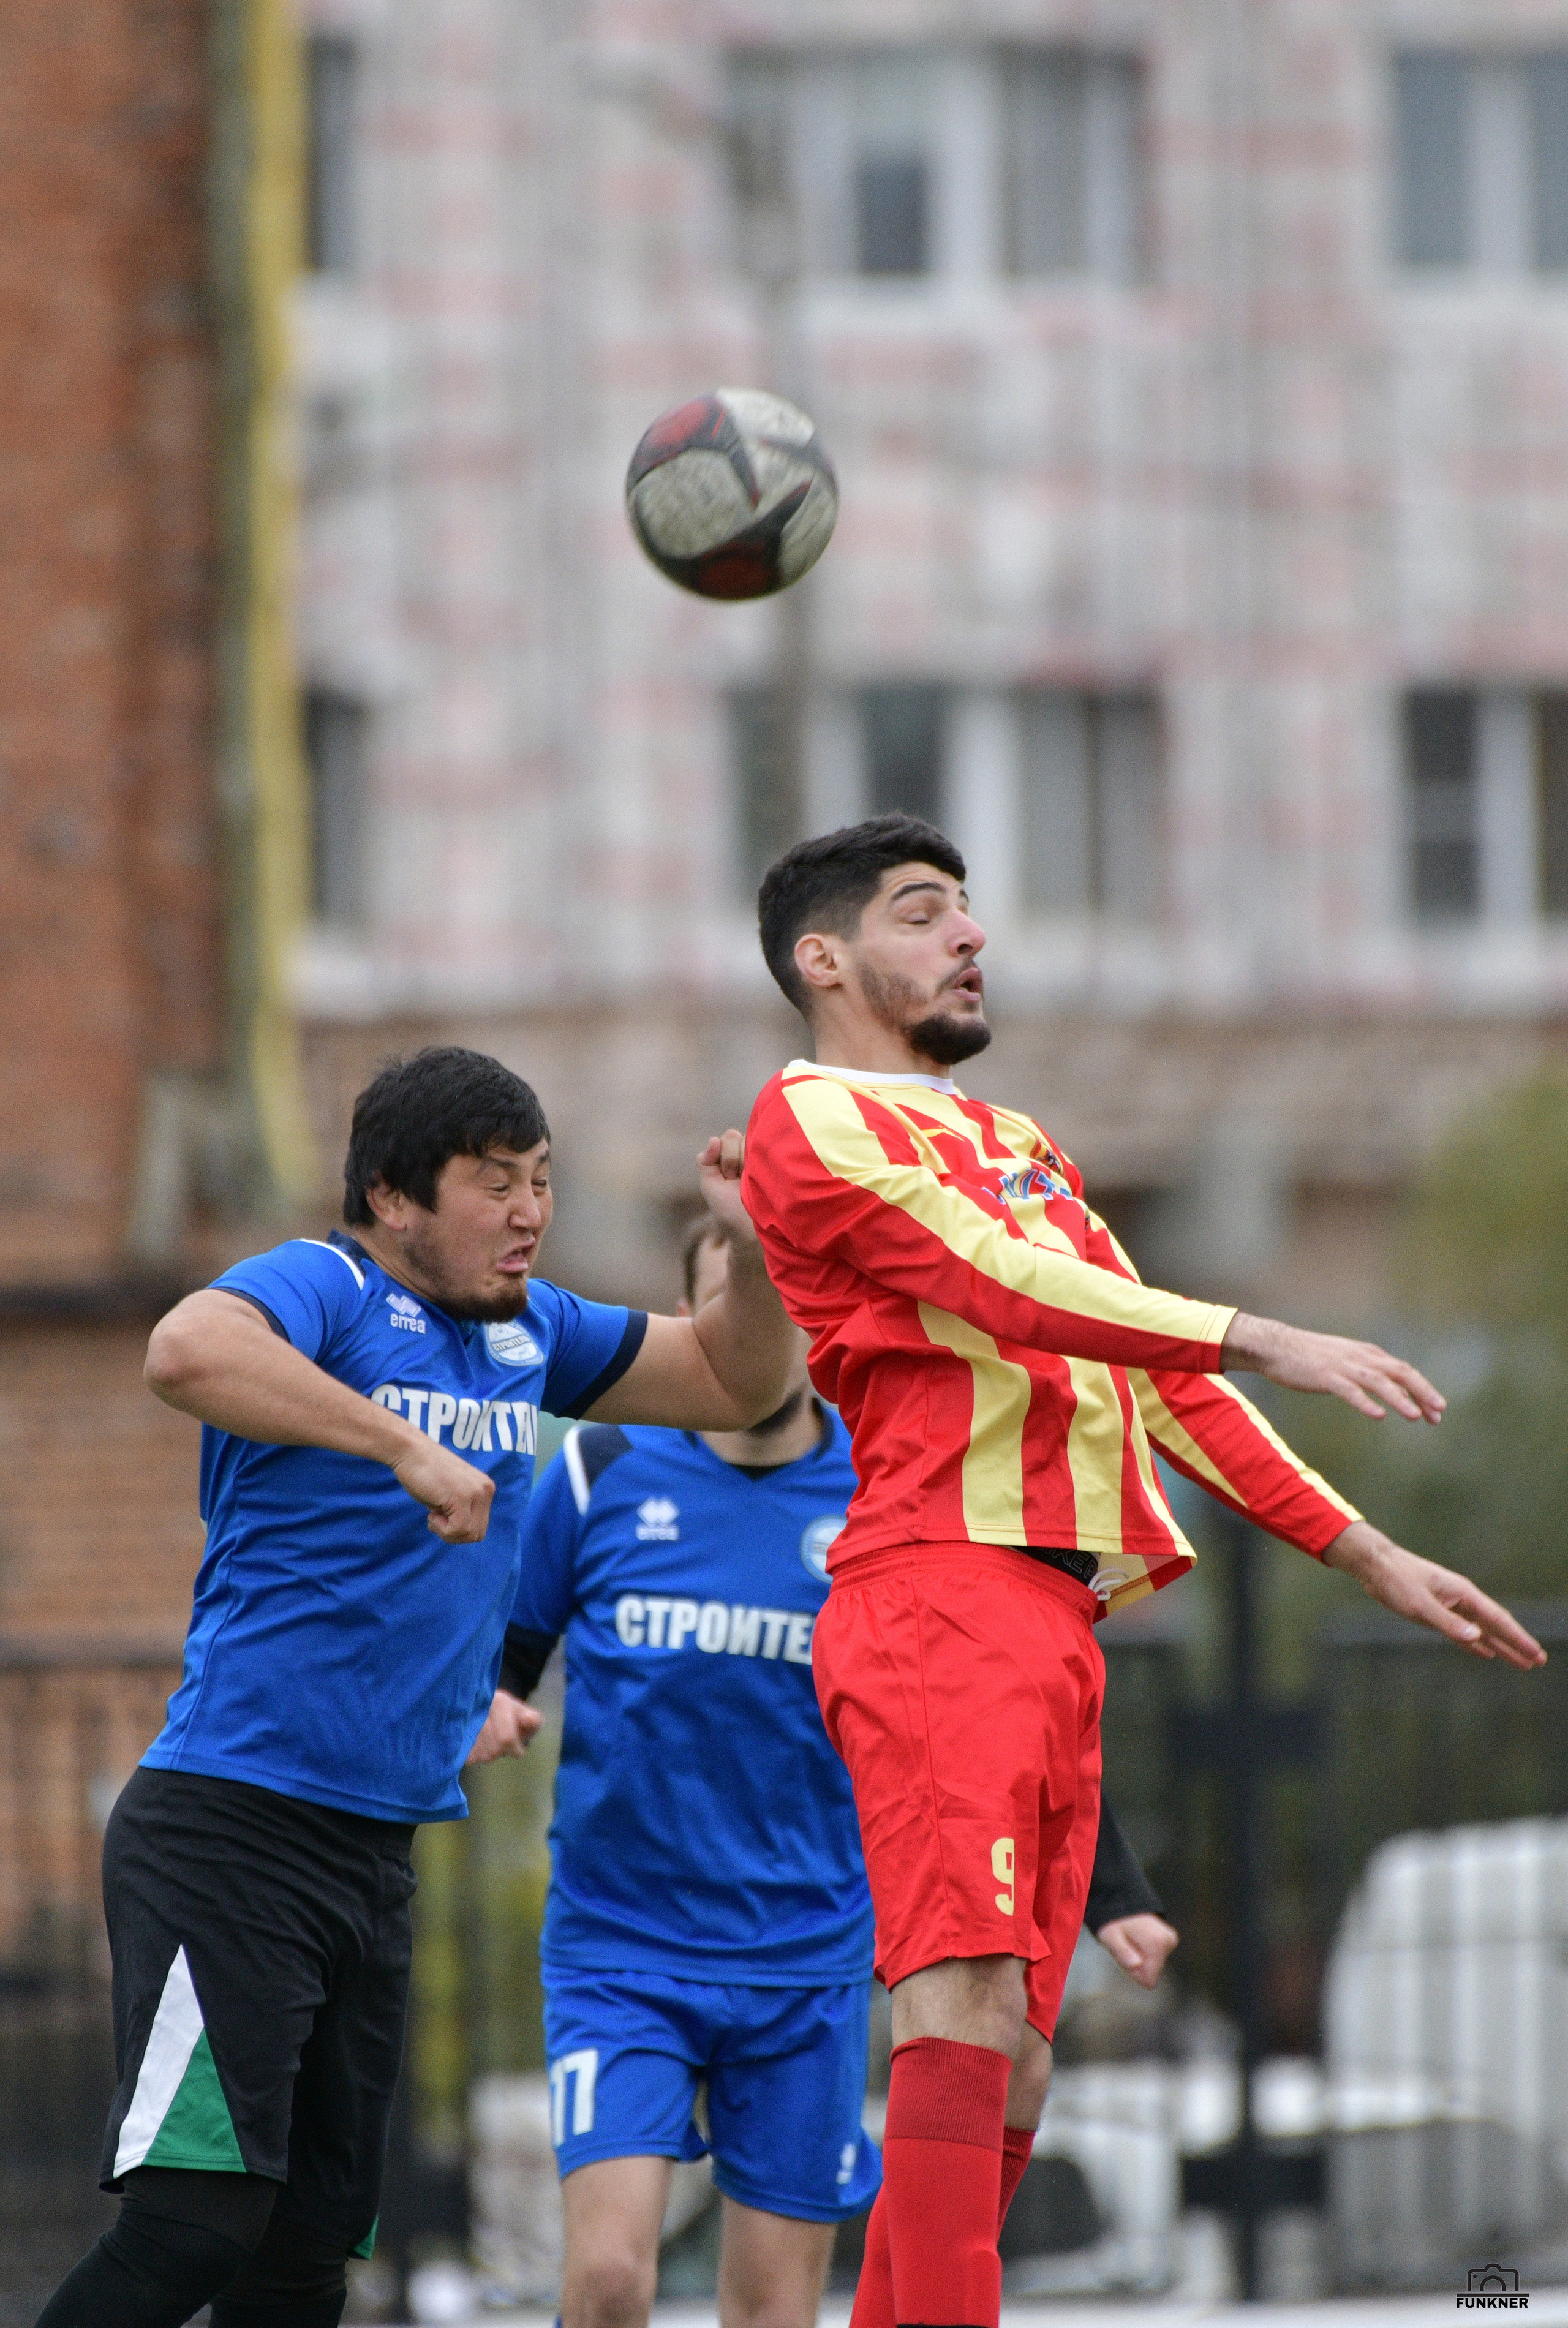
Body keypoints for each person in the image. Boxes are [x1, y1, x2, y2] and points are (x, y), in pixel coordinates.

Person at [737, 815, 1546, 2328]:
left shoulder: (1019, 1143)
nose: (969, 934)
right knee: (961, 2006)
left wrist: (1364, 1551)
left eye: (967, 909)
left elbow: (1150, 1367)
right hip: (936, 1590)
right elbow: (1003, 1284)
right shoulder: (811, 1119)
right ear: (821, 959)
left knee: (1016, 2062)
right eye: (922, 912)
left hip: (1052, 1617)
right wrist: (1260, 1329)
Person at [36, 1047, 797, 2328]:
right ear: (392, 1196)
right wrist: (404, 1445)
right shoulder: (328, 1285)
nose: (529, 1211)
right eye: (494, 1182)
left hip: (372, 1856)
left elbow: (737, 1380)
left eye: (541, 1180)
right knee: (191, 2229)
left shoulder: (535, 1329)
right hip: (231, 1833)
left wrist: (758, 1245)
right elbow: (182, 1350)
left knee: (306, 2257)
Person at [469, 1215, 1179, 2328]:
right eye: (728, 1304)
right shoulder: (603, 1470)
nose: (759, 1326)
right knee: (607, 2283)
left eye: (784, 1301)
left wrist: (1114, 1891)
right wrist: (489, 1702)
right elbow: (506, 1651)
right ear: (689, 1325)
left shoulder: (885, 1487)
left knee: (774, 2308)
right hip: (625, 1946)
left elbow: (993, 1718)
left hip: (807, 1955)